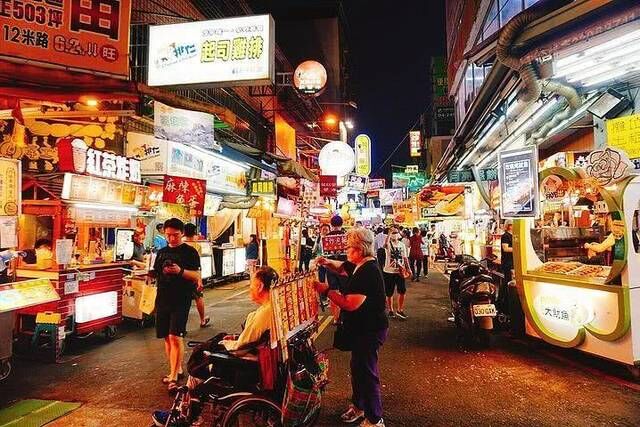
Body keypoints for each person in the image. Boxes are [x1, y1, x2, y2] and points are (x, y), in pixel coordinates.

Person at [151, 266, 279, 427]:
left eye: (252, 283)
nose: (250, 287)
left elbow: (241, 346)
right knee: (204, 357)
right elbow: (249, 340)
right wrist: (233, 339)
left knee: (199, 367)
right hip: (252, 358)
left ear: (260, 286)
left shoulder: (264, 313)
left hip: (244, 365)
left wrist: (225, 343)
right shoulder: (271, 308)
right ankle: (187, 411)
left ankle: (186, 414)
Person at [314, 228, 388, 427]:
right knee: (358, 369)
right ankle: (359, 406)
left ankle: (375, 419)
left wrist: (326, 291)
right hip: (362, 329)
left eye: (349, 248)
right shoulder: (361, 264)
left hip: (370, 330)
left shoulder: (368, 271)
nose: (345, 250)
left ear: (360, 249)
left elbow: (349, 304)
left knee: (367, 373)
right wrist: (326, 262)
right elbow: (342, 268)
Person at [151, 218, 201, 393]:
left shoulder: (190, 252)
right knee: (166, 336)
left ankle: (173, 376)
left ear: (182, 233)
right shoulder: (161, 252)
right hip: (162, 298)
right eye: (168, 235)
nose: (172, 238)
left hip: (181, 298)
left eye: (175, 235)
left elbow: (196, 276)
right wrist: (150, 274)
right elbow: (156, 272)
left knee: (175, 336)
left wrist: (180, 271)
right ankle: (176, 368)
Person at [183, 223, 210, 329]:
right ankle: (202, 320)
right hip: (193, 276)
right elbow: (198, 265)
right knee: (198, 297)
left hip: (182, 275)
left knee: (183, 300)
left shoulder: (180, 244)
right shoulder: (197, 246)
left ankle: (182, 324)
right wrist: (199, 280)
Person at [383, 226, 410, 320]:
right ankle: (390, 310)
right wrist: (389, 233)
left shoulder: (402, 245)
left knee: (402, 291)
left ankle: (400, 310)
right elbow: (385, 245)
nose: (394, 234)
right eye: (392, 233)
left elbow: (405, 258)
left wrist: (408, 269)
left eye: (396, 232)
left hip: (400, 271)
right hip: (388, 272)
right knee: (389, 292)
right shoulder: (388, 244)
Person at [326, 215, 348, 322]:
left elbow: (324, 254)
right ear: (342, 224)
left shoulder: (326, 237)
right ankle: (343, 316)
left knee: (333, 292)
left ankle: (335, 317)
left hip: (330, 268)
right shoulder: (345, 237)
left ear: (331, 224)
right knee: (344, 292)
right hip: (343, 267)